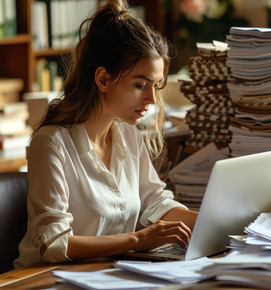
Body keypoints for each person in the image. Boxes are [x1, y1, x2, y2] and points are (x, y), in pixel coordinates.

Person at [14, 0, 197, 268]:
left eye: (155, 86)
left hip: (106, 275)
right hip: (44, 282)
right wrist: (138, 240)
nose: (151, 99)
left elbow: (155, 202)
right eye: (140, 85)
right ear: (103, 79)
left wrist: (228, 223)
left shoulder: (127, 132)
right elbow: (54, 244)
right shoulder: (52, 143)